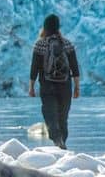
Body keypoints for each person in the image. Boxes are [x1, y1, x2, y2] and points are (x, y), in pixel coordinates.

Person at [29, 14, 80, 149]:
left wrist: (31, 87)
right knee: (63, 117)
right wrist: (77, 87)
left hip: (47, 86)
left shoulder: (40, 44)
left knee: (50, 114)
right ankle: (62, 142)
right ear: (58, 27)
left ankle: (57, 140)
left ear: (45, 27)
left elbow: (34, 68)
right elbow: (75, 67)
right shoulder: (67, 44)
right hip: (65, 86)